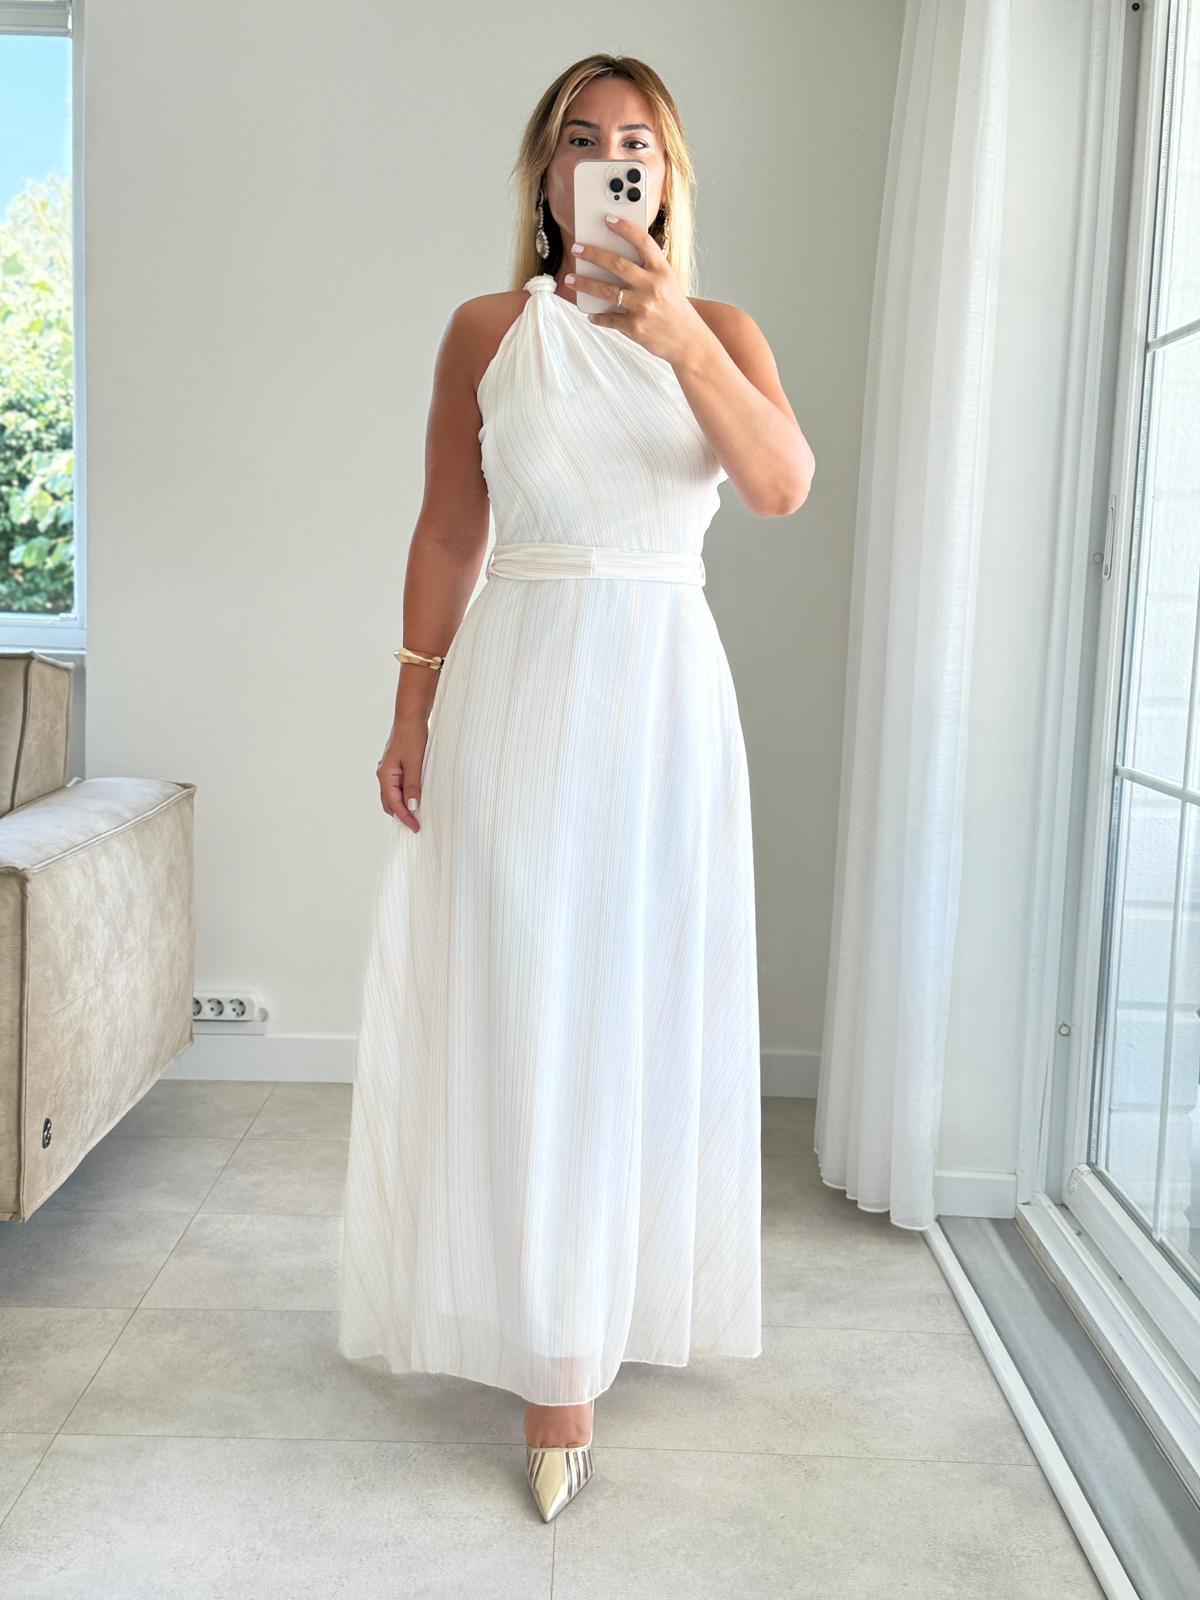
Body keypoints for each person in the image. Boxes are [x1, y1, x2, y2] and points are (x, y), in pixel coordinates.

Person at [337, 51, 815, 1523]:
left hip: (665, 697)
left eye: (639, 144)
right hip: (522, 691)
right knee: (530, 1001)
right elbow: (447, 530)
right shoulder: (487, 331)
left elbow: (781, 484)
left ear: (666, 180)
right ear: (546, 177)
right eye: (583, 140)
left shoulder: (721, 330)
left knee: (640, 1006)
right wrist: (410, 707)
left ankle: (611, 1293)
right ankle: (553, 1361)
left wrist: (677, 339)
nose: (614, 161)